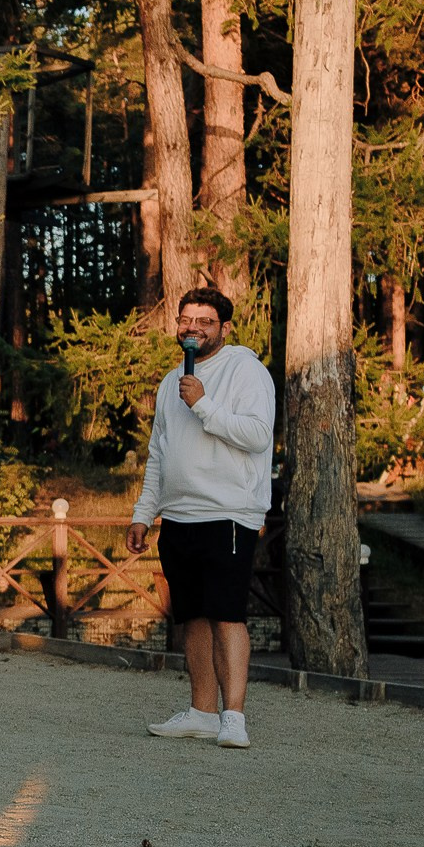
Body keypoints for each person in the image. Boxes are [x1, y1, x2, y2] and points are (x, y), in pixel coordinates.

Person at [128, 284, 276, 750]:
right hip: (178, 516)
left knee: (226, 615)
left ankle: (234, 717)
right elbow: (159, 454)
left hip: (229, 512)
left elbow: (256, 435)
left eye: (203, 321)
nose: (192, 328)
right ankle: (201, 712)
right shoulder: (170, 382)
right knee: (190, 617)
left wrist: (204, 404)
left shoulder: (245, 370)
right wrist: (142, 513)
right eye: (185, 320)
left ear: (223, 328)